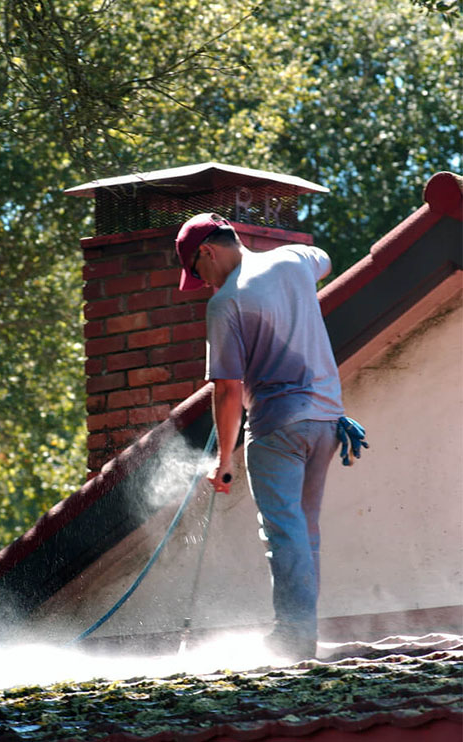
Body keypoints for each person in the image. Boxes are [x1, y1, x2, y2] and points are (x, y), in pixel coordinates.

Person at [175, 212, 349, 662]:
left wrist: (224, 460)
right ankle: (302, 632)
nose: (203, 282)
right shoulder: (293, 260)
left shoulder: (225, 303)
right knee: (305, 531)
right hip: (328, 421)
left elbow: (228, 389)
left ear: (208, 251)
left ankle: (293, 637)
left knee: (284, 533)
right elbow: (324, 259)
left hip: (279, 427)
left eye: (197, 272)